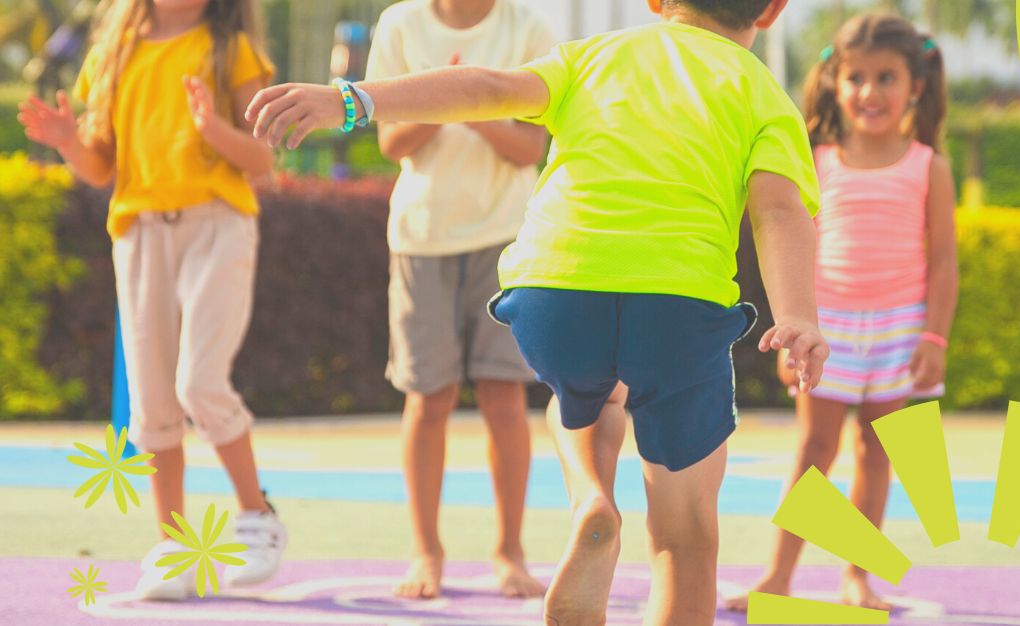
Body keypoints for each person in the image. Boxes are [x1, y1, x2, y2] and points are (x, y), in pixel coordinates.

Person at [245, 0, 829, 623]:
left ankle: (589, 500)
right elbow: (778, 209)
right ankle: (611, 515)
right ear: (772, 11)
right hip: (678, 306)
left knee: (587, 396)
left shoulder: (595, 54)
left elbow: (487, 87)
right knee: (685, 538)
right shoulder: (765, 94)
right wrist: (797, 314)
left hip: (557, 290)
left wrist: (352, 100)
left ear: (657, 2)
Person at [18, 0, 283, 601]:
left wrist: (213, 129)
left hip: (218, 224)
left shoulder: (230, 49)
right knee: (153, 398)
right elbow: (99, 166)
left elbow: (263, 160)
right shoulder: (115, 49)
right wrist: (66, 140)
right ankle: (171, 545)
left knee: (200, 383)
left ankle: (257, 517)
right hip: (139, 233)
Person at [726, 12, 959, 613]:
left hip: (899, 331)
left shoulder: (928, 166)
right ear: (835, 81)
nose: (869, 92)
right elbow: (787, 243)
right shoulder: (817, 157)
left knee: (878, 454)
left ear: (915, 85)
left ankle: (859, 575)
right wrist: (793, 329)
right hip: (826, 329)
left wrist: (934, 337)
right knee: (813, 451)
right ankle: (778, 575)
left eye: (886, 78)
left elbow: (943, 264)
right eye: (856, 78)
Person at [363, 0, 556, 600]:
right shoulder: (399, 25)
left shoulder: (529, 28)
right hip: (421, 237)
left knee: (505, 396)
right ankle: (426, 551)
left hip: (508, 239)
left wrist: (470, 100)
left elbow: (530, 148)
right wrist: (458, 97)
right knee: (428, 397)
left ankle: (509, 551)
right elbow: (392, 140)